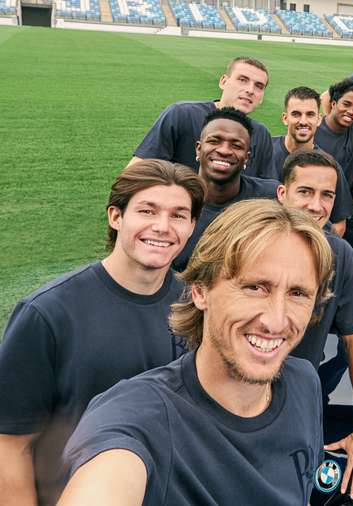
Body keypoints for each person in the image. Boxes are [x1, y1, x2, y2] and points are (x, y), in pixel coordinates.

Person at [58, 200, 334, 505]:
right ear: (200, 291)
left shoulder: (304, 382)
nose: (276, 321)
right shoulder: (140, 420)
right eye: (255, 287)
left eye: (298, 293)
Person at [0, 160, 204, 505]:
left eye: (178, 215)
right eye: (147, 211)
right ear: (116, 216)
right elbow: (9, 444)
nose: (163, 227)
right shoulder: (47, 313)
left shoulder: (199, 306)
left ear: (192, 225)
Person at [276, 149, 353, 500]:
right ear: (282, 194)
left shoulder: (340, 256)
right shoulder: (248, 243)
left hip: (293, 409)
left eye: (327, 196)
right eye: (305, 192)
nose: (316, 206)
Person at [131, 56, 275, 179]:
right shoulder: (182, 114)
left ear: (261, 97)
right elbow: (136, 172)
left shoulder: (261, 134)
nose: (250, 90)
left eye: (259, 86)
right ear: (223, 82)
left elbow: (267, 188)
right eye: (242, 80)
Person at [173, 107, 279, 271]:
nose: (224, 150)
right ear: (198, 149)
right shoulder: (173, 200)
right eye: (214, 141)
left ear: (247, 157)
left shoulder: (271, 197)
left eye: (236, 145)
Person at [270, 86, 353, 235]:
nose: (303, 121)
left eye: (310, 115)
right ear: (285, 118)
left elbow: (339, 225)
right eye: (296, 114)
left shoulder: (329, 167)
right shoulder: (265, 150)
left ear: (318, 119)